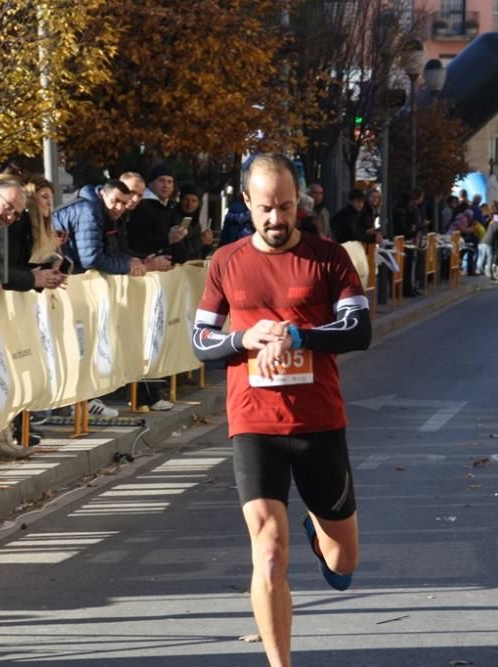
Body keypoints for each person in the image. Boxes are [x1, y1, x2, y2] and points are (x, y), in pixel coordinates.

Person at [191, 154, 370, 666]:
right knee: (268, 551)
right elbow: (202, 341)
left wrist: (298, 335)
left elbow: (359, 330)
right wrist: (245, 337)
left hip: (318, 421)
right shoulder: (226, 261)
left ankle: (321, 532)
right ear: (247, 203)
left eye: (287, 207)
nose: (276, 219)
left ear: (301, 203)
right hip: (253, 422)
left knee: (344, 563)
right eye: (266, 208)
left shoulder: (328, 257)